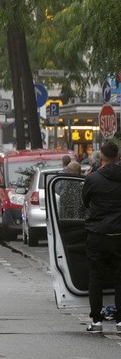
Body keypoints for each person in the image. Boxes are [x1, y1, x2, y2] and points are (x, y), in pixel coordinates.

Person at [81, 141, 121, 332]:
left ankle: (96, 321)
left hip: (97, 234)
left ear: (102, 157)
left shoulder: (93, 179)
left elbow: (84, 202)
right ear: (118, 156)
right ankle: (120, 320)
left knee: (96, 278)